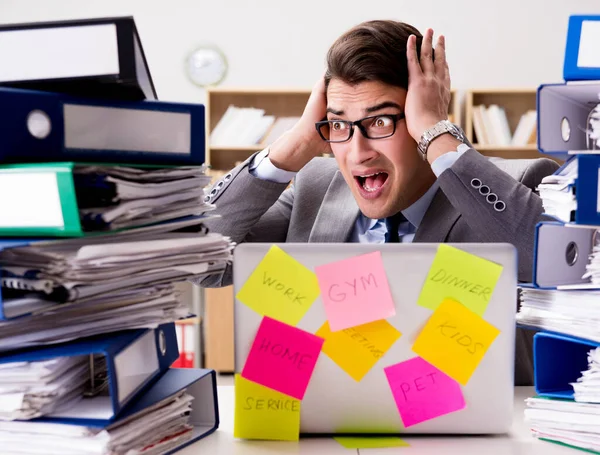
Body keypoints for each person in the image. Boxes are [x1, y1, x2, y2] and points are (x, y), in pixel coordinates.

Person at [201, 20, 559, 385]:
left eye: (381, 121)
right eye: (340, 126)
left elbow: (555, 265)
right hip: (325, 428)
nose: (358, 153)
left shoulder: (517, 187)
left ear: (423, 115)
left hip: (471, 437)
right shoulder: (314, 188)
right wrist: (289, 149)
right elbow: (201, 262)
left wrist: (436, 133)